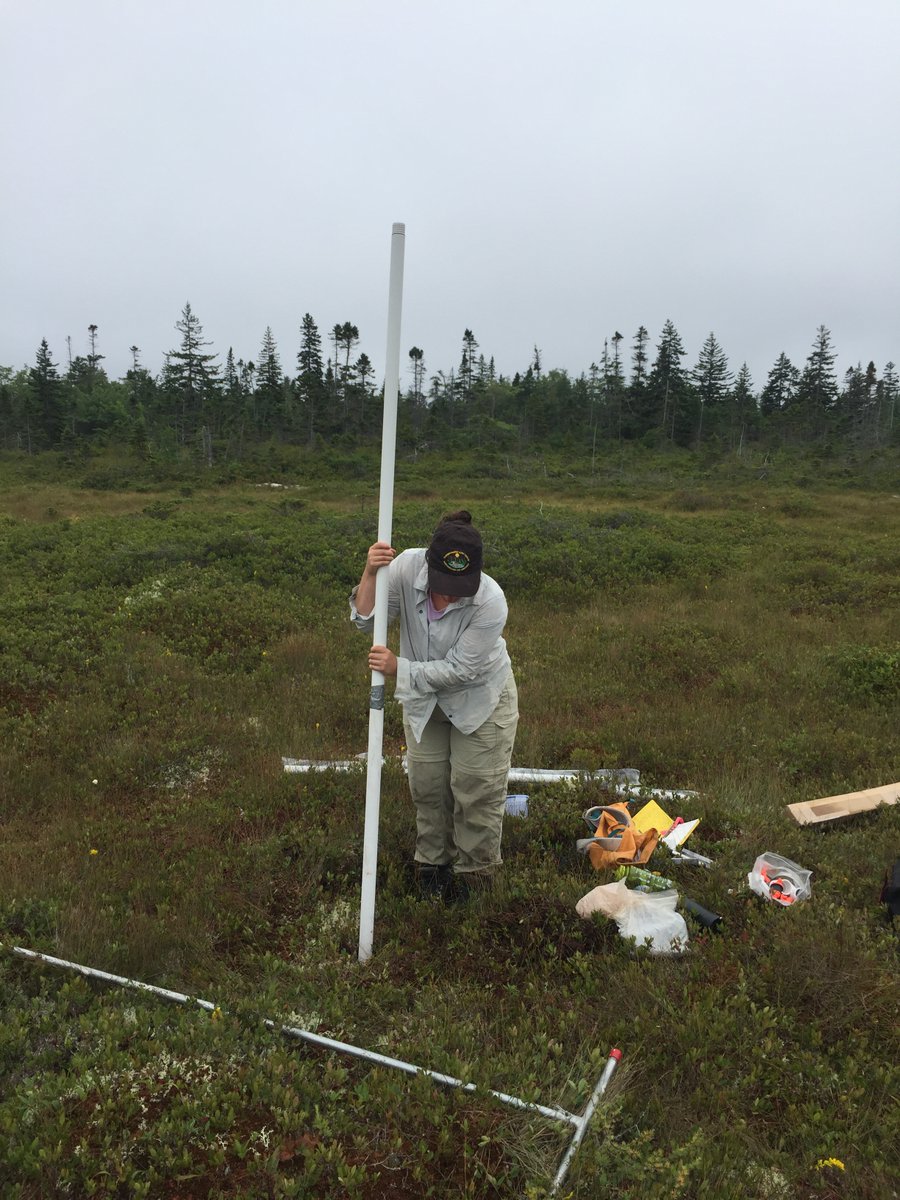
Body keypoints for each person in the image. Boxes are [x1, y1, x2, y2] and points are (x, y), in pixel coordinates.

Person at [350, 510, 518, 901]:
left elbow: (460, 671)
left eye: (460, 586)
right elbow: (365, 620)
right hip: (425, 703)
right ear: (428, 563)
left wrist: (399, 668)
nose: (450, 595)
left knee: (474, 788)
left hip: (480, 703)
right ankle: (433, 864)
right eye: (444, 586)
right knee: (427, 785)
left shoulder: (490, 601)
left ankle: (475, 873)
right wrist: (371, 572)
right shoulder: (406, 568)